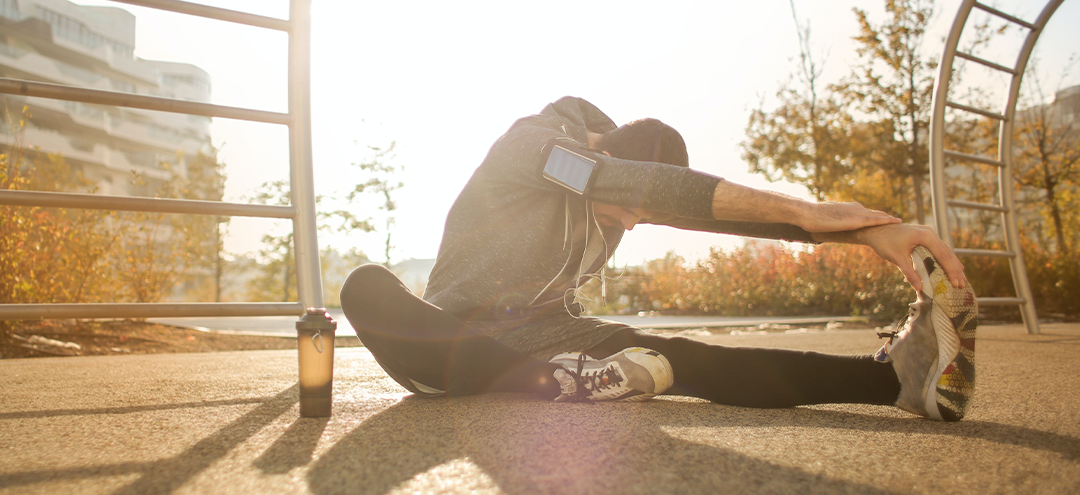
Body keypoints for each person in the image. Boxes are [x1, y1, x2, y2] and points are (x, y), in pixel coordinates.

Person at [340, 97, 977, 421]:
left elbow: (700, 207)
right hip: (447, 344)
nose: (635, 223)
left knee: (686, 357)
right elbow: (624, 186)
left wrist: (863, 233)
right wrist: (808, 210)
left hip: (552, 337)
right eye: (632, 207)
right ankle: (559, 381)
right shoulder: (537, 148)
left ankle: (893, 382)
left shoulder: (620, 179)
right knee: (366, 286)